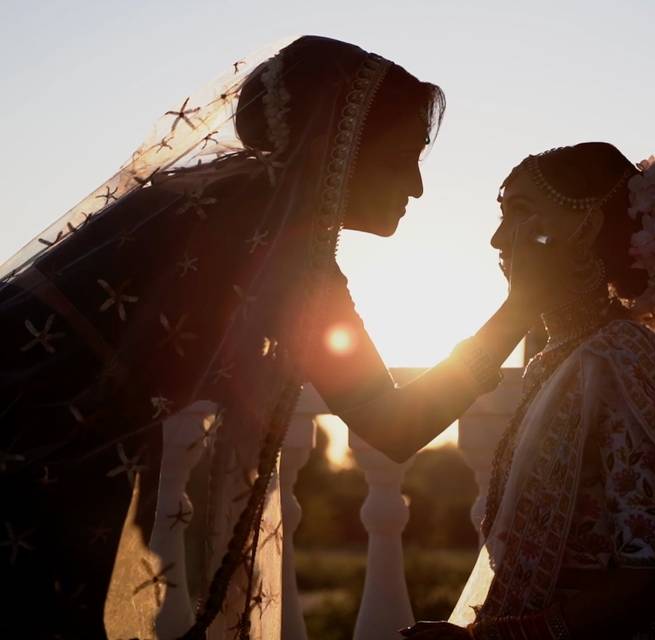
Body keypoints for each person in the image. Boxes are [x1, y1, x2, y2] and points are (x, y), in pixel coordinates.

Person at [0, 36, 557, 639]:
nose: (418, 187)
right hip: (32, 481)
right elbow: (393, 426)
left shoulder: (220, 200)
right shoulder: (282, 252)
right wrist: (519, 309)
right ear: (337, 150)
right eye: (402, 158)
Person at [403, 143, 655, 639]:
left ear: (585, 228)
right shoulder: (565, 356)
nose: (497, 239)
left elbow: (649, 578)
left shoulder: (620, 359)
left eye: (521, 215)